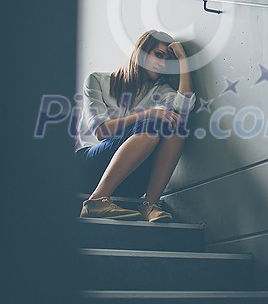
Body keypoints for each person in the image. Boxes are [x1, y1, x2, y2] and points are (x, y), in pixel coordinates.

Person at [75, 30, 196, 223]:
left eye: (168, 61)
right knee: (151, 123)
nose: (162, 64)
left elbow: (185, 107)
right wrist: (147, 113)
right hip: (88, 168)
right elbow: (101, 131)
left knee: (176, 126)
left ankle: (149, 205)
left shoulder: (160, 91)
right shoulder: (98, 80)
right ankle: (96, 200)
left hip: (129, 179)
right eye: (158, 54)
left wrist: (183, 61)